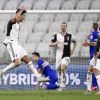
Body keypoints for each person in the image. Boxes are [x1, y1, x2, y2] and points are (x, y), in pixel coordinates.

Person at [0, 8, 40, 79]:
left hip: (17, 45)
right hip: (11, 43)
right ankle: (2, 71)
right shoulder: (12, 21)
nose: (24, 17)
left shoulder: (18, 25)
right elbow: (15, 18)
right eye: (23, 15)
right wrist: (21, 9)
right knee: (17, 63)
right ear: (19, 15)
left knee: (28, 60)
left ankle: (38, 77)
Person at [49, 22, 77, 91]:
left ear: (66, 27)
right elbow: (50, 44)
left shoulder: (70, 35)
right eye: (62, 26)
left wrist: (73, 50)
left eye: (64, 26)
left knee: (63, 68)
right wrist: (56, 43)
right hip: (58, 55)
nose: (63, 27)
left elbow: (75, 42)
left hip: (66, 55)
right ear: (60, 27)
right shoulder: (56, 35)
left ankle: (62, 85)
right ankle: (62, 83)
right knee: (59, 70)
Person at [83, 23, 99, 93]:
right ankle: (89, 90)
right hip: (95, 55)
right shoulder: (95, 34)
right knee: (90, 70)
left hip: (97, 55)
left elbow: (95, 43)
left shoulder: (96, 34)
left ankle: (95, 87)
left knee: (97, 72)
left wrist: (88, 43)